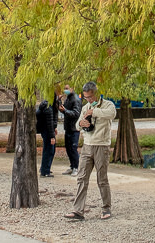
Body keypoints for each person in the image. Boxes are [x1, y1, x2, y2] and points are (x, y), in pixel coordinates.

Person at [64, 81, 116, 221]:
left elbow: (112, 114)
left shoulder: (107, 105)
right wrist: (81, 123)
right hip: (87, 145)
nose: (89, 100)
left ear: (96, 93)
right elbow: (77, 124)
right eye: (86, 97)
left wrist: (94, 111)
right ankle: (78, 211)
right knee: (81, 177)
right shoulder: (85, 107)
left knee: (102, 178)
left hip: (102, 145)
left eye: (91, 97)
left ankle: (106, 208)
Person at [58, 85, 82, 176]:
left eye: (67, 88)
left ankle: (76, 167)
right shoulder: (68, 98)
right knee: (68, 148)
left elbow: (76, 113)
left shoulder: (76, 99)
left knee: (73, 148)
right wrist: (59, 101)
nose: (65, 90)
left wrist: (65, 111)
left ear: (72, 88)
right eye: (65, 88)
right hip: (68, 127)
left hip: (74, 128)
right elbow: (63, 109)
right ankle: (72, 166)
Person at [36, 98, 57, 178]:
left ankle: (45, 168)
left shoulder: (50, 105)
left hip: (46, 130)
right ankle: (45, 171)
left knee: (49, 149)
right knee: (49, 150)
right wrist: (52, 136)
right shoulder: (48, 107)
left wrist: (55, 127)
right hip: (47, 131)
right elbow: (49, 122)